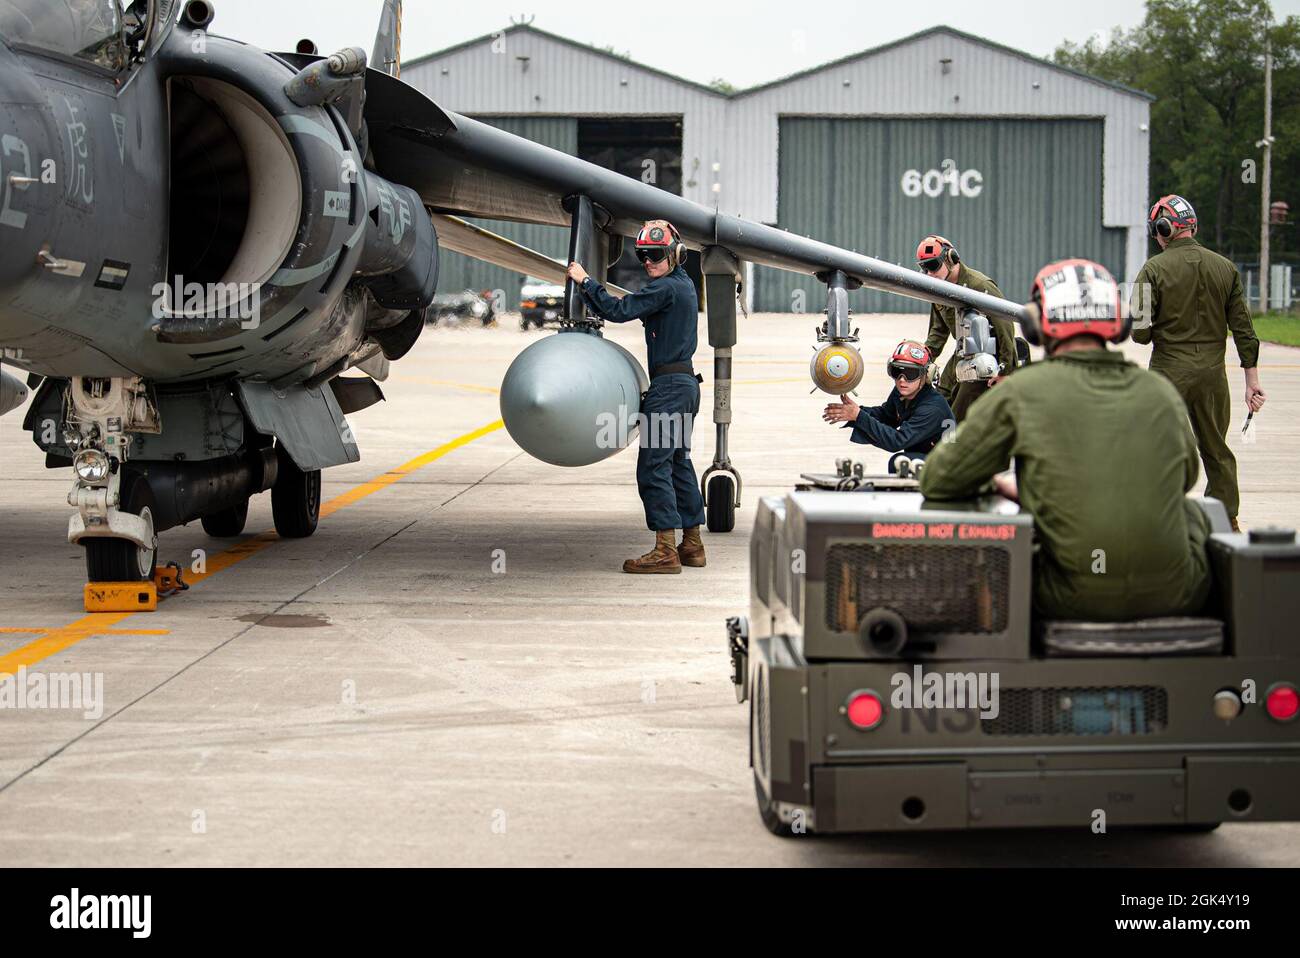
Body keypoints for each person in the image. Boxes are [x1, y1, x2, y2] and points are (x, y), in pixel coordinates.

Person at [920, 259, 1211, 622]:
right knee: (1195, 512)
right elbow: (1185, 477)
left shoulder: (1020, 394)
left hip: (1066, 598)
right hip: (1180, 592)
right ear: (1117, 322)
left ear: (1038, 325)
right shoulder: (1161, 393)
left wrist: (1020, 490)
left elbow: (939, 479)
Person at [566, 220, 706, 575]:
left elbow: (617, 311)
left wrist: (585, 281)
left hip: (669, 391)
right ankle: (691, 545)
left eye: (655, 255)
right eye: (643, 255)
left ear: (675, 255)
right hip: (686, 386)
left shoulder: (666, 289)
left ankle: (665, 550)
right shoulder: (684, 284)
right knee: (677, 462)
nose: (647, 262)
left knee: (654, 465)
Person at [1131, 194, 1265, 532]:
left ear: (1163, 229)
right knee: (1217, 449)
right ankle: (1226, 520)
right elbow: (1244, 330)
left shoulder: (1153, 270)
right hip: (1212, 374)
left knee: (1161, 446)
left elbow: (1141, 334)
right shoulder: (1226, 268)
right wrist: (1252, 382)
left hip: (1168, 372)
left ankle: (1159, 517)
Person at [917, 234, 1016, 422]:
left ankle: (952, 445)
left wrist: (1006, 372)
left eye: (933, 266)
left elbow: (1006, 328)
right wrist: (925, 356)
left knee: (958, 410)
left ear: (951, 259)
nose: (929, 274)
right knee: (940, 398)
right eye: (924, 268)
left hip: (987, 357)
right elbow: (938, 330)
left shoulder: (979, 285)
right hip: (962, 353)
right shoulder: (938, 287)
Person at [822, 340, 953, 467]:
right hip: (927, 456)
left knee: (900, 462)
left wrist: (858, 415)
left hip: (948, 466)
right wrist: (853, 412)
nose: (902, 380)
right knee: (903, 462)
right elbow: (886, 416)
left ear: (927, 375)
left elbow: (897, 441)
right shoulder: (902, 392)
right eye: (897, 371)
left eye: (911, 373)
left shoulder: (933, 408)